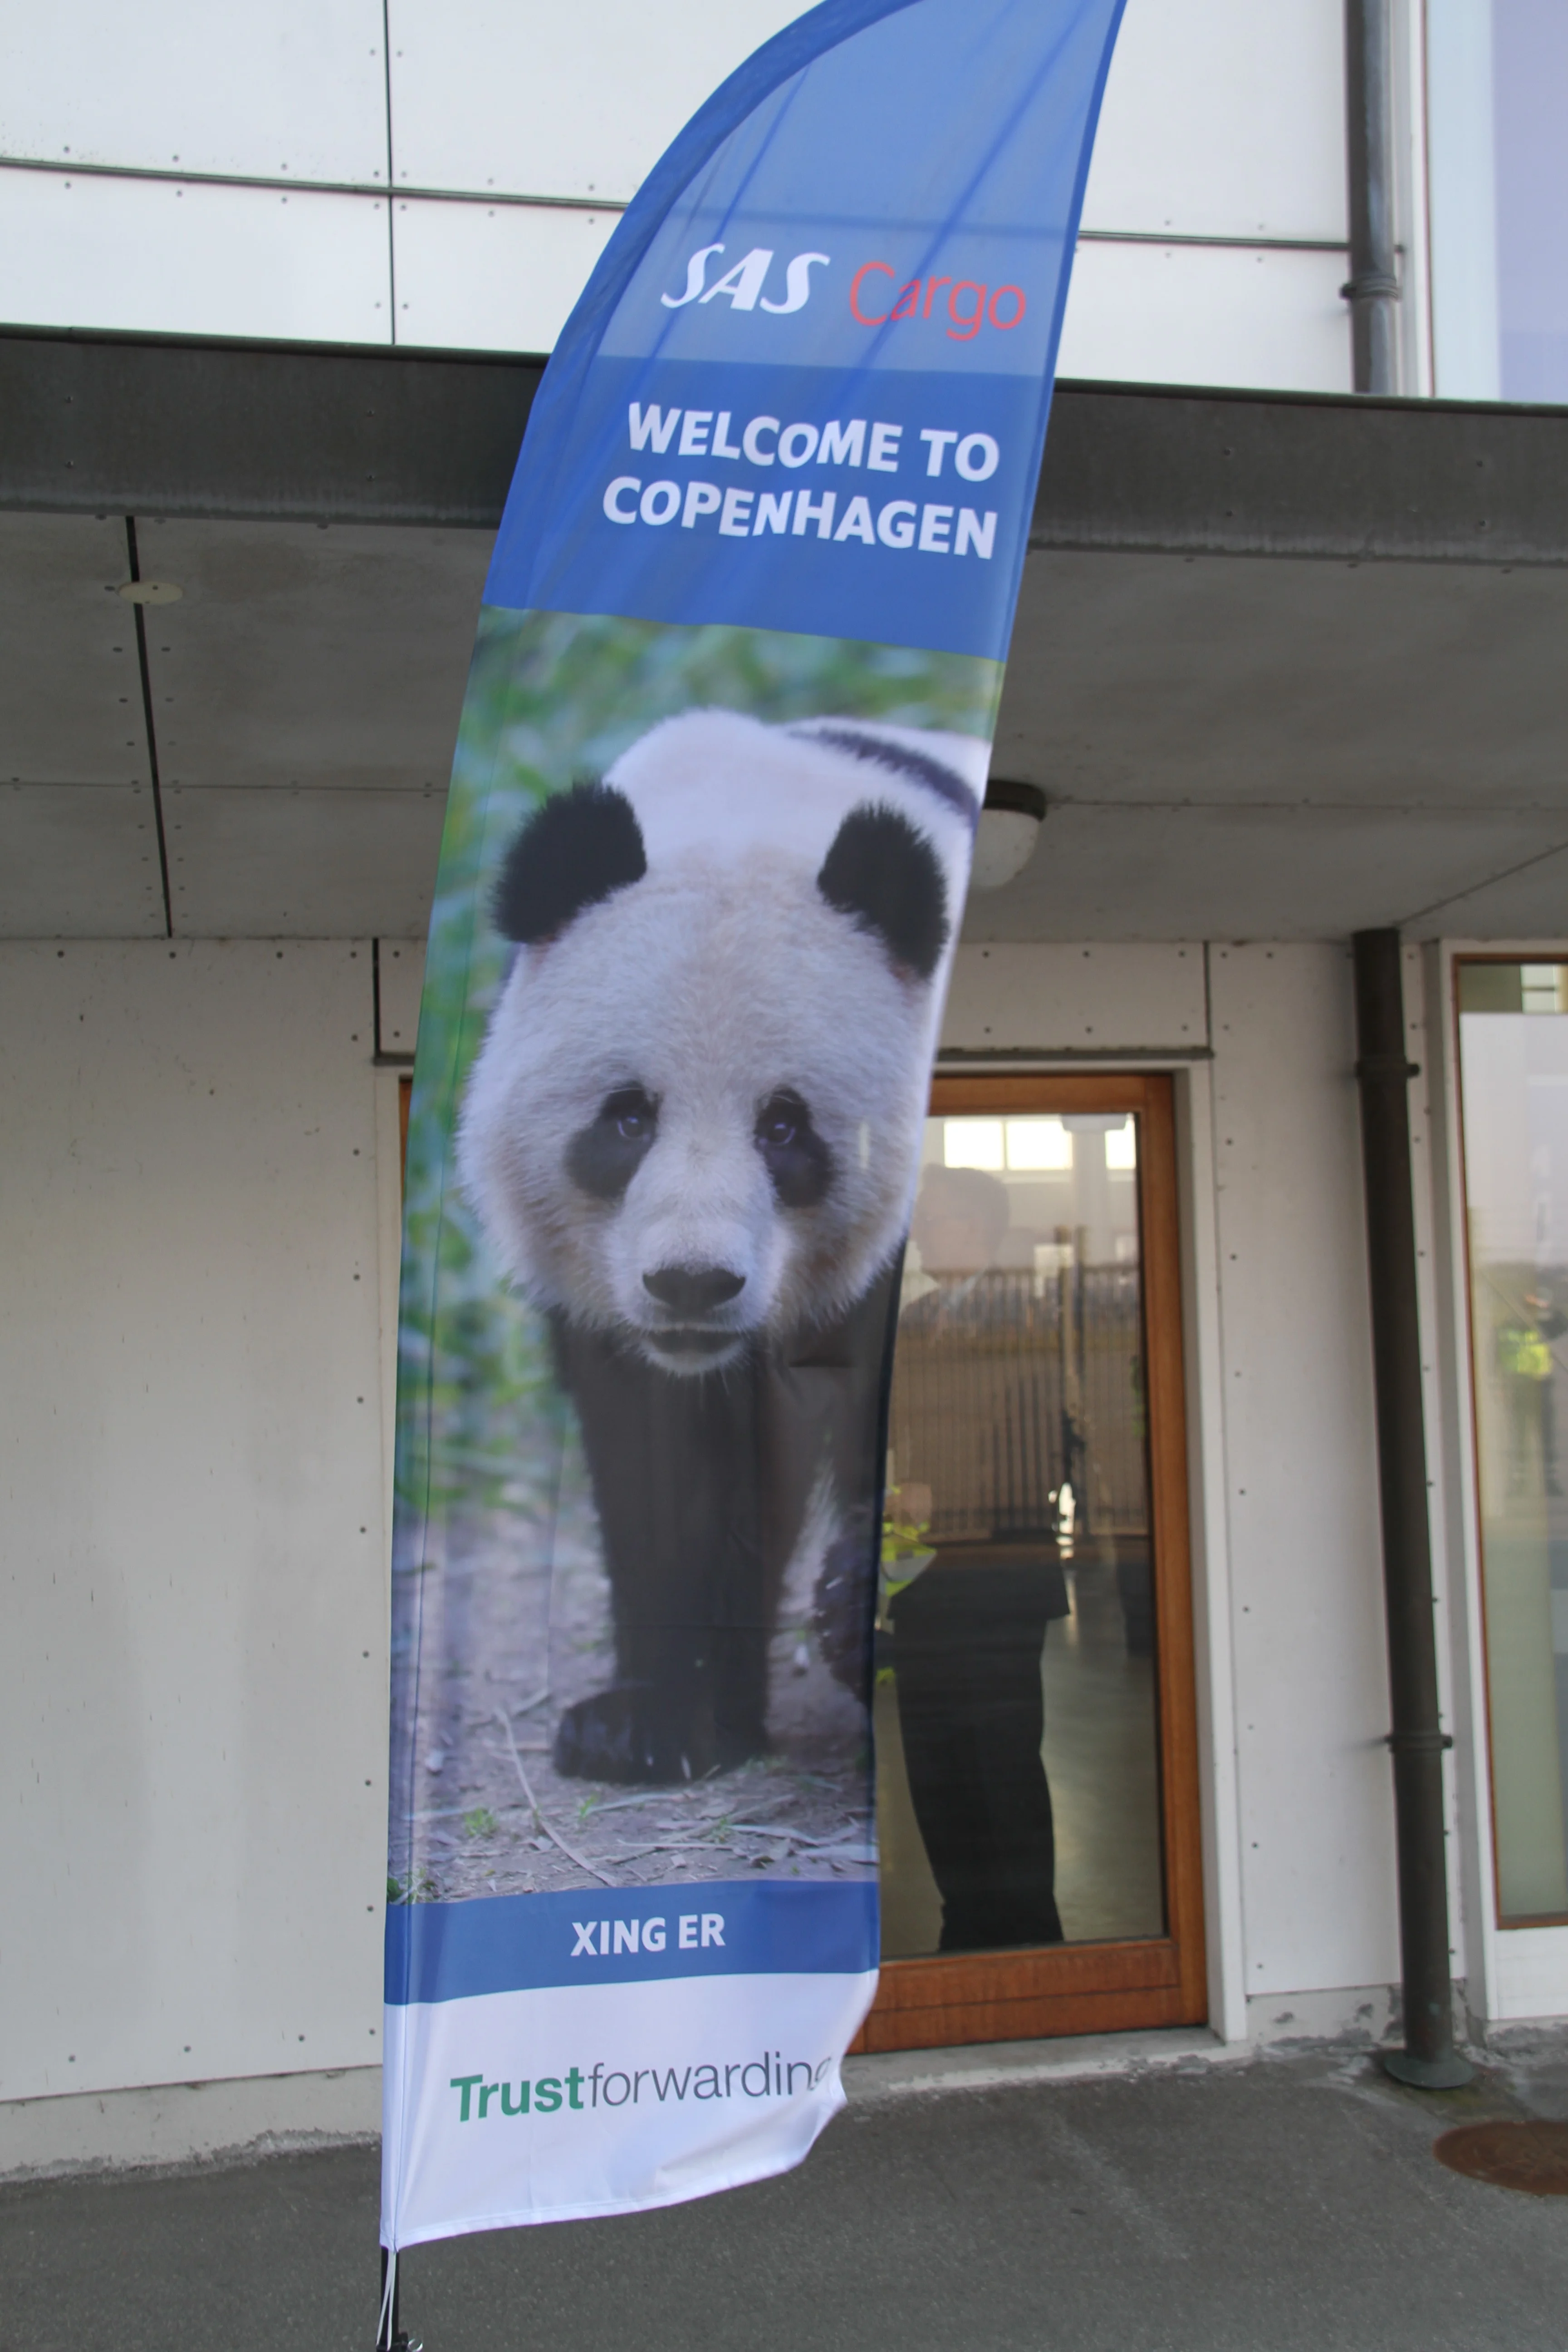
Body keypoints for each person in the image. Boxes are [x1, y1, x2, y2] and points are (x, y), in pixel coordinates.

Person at [889, 1163, 1068, 1952]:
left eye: (935, 1219)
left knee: (999, 1767)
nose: (921, 1234)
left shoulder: (1026, 1318)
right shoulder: (915, 1321)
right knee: (936, 1765)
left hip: (998, 1581)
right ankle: (965, 1928)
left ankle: (1027, 1941)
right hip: (927, 1580)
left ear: (978, 1228)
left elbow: (1040, 1455)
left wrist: (942, 1496)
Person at [1498, 1288, 1567, 1497]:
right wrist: (1500, 1385)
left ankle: (1549, 1481)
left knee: (1546, 1436)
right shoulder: (1508, 1327)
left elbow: (1563, 1322)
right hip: (1518, 1386)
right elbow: (1495, 1357)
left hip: (1541, 1384)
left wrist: (1543, 1305)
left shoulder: (1541, 1327)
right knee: (1519, 1436)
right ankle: (1519, 1481)